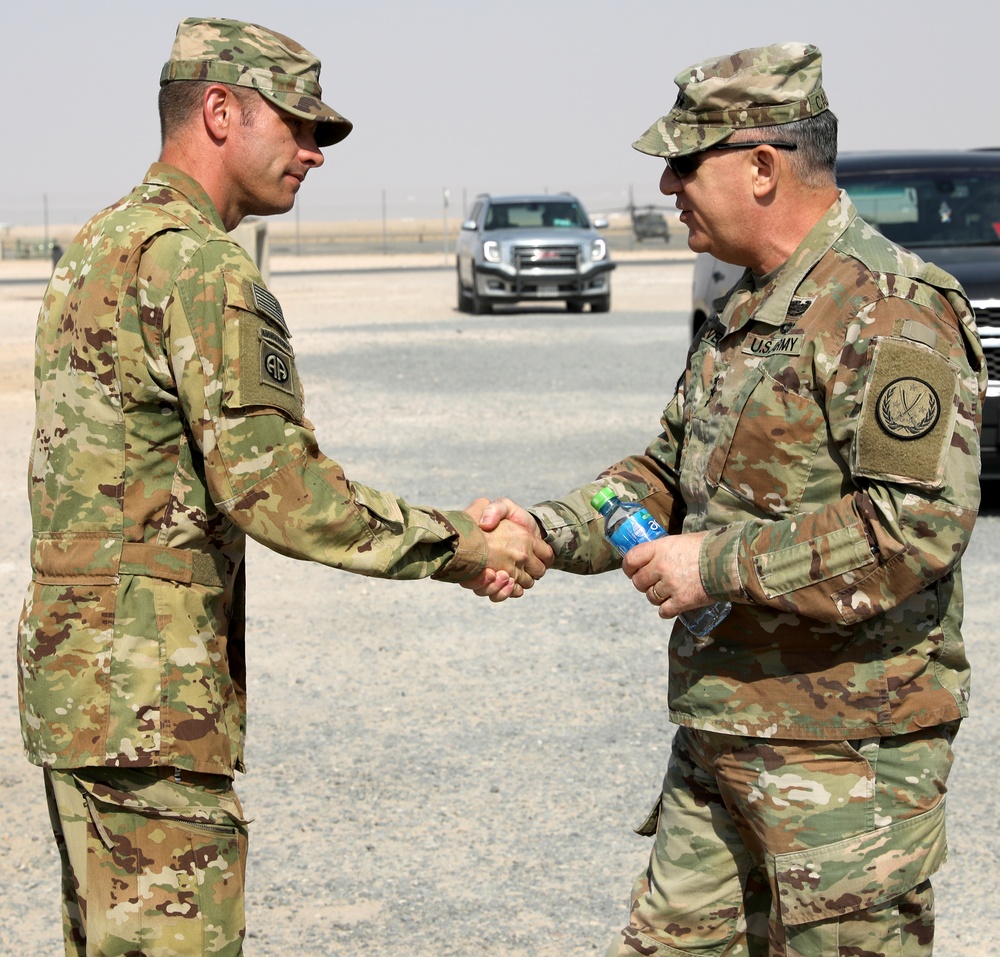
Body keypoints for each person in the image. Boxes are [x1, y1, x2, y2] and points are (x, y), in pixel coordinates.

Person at [17, 17, 550, 957]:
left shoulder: (98, 244)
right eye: (299, 126)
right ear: (219, 111)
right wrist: (466, 547)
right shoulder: (197, 263)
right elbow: (281, 494)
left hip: (81, 693)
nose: (313, 152)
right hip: (152, 704)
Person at [474, 42, 985, 957]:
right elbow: (666, 477)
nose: (667, 185)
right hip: (721, 736)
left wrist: (710, 563)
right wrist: (545, 530)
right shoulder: (752, 309)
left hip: (843, 762)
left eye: (684, 160)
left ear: (761, 166)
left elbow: (914, 526)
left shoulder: (890, 308)